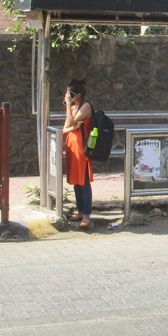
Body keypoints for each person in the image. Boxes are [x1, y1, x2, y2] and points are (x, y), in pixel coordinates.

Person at [63, 78, 94, 229]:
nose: (68, 96)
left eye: (71, 94)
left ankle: (87, 215)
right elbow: (65, 129)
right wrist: (72, 127)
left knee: (84, 181)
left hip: (82, 147)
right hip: (71, 147)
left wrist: (69, 107)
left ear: (78, 94)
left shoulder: (85, 106)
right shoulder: (73, 109)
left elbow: (69, 123)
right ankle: (80, 210)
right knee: (76, 181)